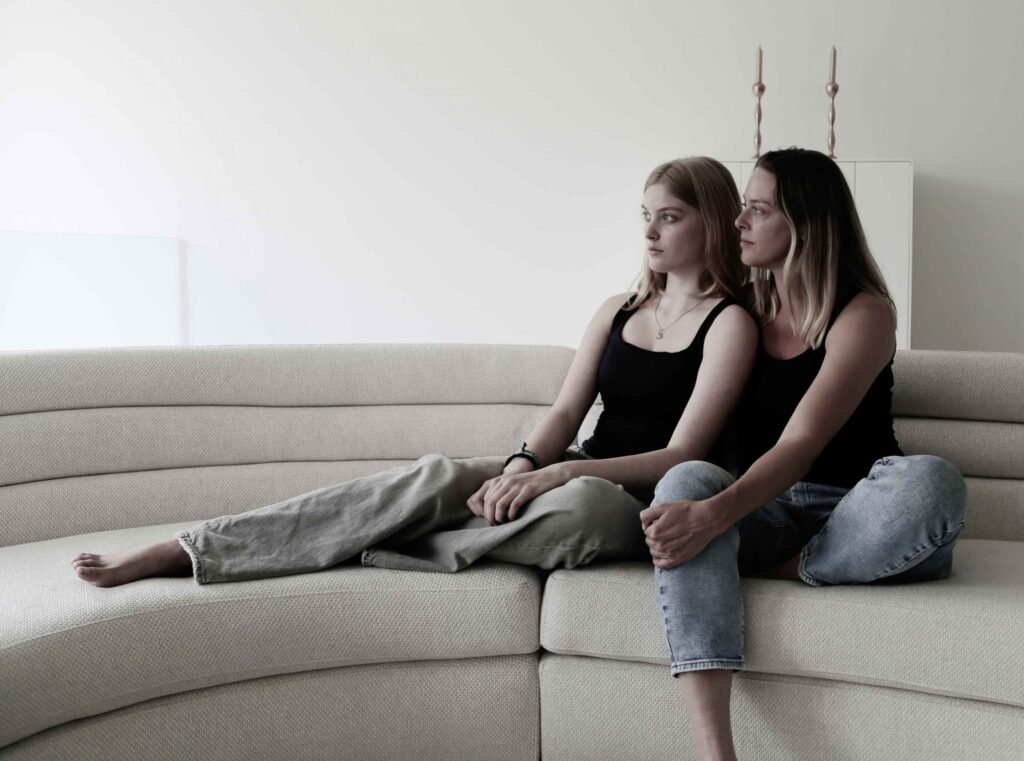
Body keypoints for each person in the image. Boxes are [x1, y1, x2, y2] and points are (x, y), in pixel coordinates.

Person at [72, 156, 758, 588]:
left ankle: (355, 541)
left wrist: (564, 473)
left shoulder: (730, 321)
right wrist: (522, 464)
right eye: (645, 216)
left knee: (575, 509)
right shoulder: (619, 308)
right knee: (434, 476)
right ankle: (189, 548)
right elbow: (562, 416)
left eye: (669, 217)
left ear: (713, 226)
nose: (648, 233)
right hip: (564, 469)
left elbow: (684, 453)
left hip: (631, 502)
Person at [641, 148, 967, 761]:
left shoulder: (863, 313)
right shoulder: (740, 314)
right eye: (743, 208)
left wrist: (715, 521)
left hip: (856, 512)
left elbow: (801, 443)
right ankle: (717, 754)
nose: (740, 223)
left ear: (805, 225)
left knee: (933, 484)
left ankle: (792, 567)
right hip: (768, 513)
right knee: (686, 479)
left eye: (757, 210)